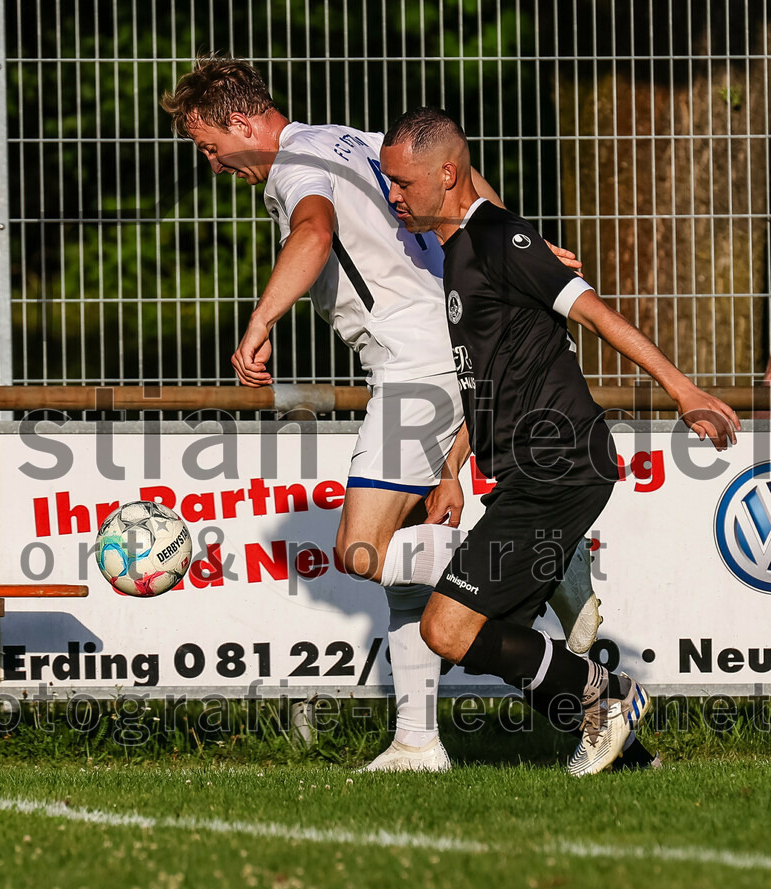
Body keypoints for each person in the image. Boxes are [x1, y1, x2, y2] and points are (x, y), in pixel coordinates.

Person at [162, 55, 604, 772]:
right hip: (449, 343)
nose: (212, 164)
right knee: (407, 549)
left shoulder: (292, 172)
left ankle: (554, 569)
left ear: (240, 122)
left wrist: (260, 321)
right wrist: (519, 243)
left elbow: (310, 232)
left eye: (209, 146)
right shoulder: (344, 137)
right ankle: (417, 740)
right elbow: (459, 186)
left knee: (360, 551)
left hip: (416, 367)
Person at [378, 106, 740, 774]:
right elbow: (480, 381)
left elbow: (599, 315)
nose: (392, 194)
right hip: (527, 472)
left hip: (560, 464)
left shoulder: (500, 240)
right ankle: (627, 755)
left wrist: (684, 392)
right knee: (494, 635)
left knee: (445, 626)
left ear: (448, 174)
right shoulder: (458, 253)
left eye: (401, 182)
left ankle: (611, 693)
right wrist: (454, 467)